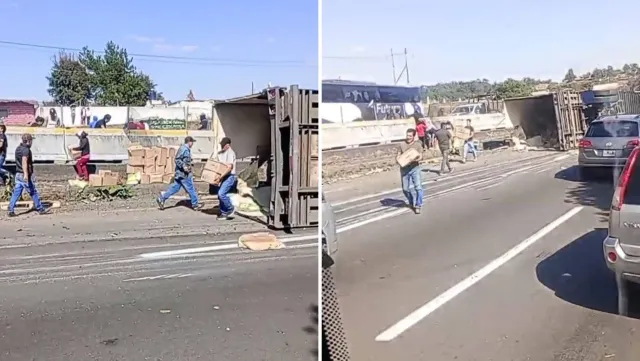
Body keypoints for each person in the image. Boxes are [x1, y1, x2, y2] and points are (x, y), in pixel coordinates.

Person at [156, 136, 202, 211]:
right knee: (191, 189)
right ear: (189, 142)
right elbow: (177, 159)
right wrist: (184, 166)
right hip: (184, 174)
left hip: (180, 174)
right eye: (192, 142)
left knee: (174, 188)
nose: (192, 144)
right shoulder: (184, 149)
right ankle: (195, 204)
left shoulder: (186, 149)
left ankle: (161, 199)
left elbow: (184, 160)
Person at [8, 134, 49, 217]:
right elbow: (24, 161)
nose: (32, 143)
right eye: (31, 141)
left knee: (16, 193)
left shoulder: (18, 148)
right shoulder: (26, 150)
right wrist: (26, 174)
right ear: (28, 141)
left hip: (18, 174)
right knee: (33, 192)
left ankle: (11, 209)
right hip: (23, 175)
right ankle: (40, 208)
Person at [398, 129, 424, 214]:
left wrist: (412, 159)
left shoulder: (418, 145)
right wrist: (399, 160)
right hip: (404, 169)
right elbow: (398, 156)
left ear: (413, 136)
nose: (408, 137)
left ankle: (418, 205)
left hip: (414, 168)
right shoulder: (402, 144)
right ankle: (411, 201)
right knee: (405, 189)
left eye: (410, 136)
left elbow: (420, 157)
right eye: (407, 135)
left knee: (418, 187)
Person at [214, 137, 238, 220]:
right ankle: (224, 213)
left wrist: (220, 176)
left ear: (227, 145)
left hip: (229, 176)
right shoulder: (222, 153)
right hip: (224, 176)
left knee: (221, 193)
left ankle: (230, 208)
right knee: (220, 195)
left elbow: (229, 167)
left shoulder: (230, 153)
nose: (221, 146)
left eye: (223, 145)